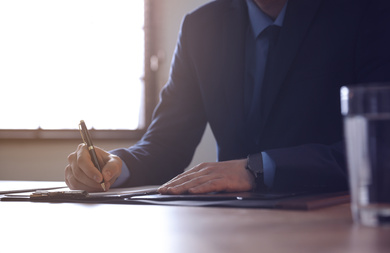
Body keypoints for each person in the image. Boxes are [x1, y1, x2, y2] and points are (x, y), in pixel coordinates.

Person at [65, 0, 390, 194]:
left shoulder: (366, 13)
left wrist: (257, 169)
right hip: (228, 227)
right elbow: (166, 144)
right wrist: (116, 166)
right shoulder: (200, 27)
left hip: (334, 223)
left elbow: (379, 150)